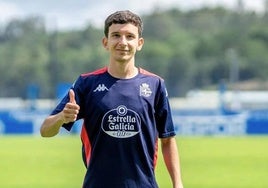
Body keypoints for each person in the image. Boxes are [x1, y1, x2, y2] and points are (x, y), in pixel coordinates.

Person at [40, 10, 184, 188]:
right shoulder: (87, 83)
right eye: (116, 35)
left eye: (129, 36)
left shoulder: (155, 85)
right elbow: (45, 130)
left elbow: (168, 139)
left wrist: (178, 184)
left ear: (139, 43)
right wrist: (62, 116)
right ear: (105, 42)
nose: (123, 42)